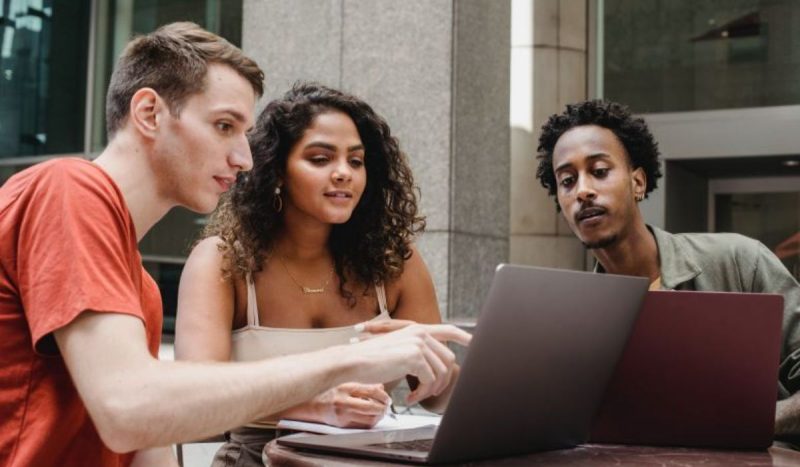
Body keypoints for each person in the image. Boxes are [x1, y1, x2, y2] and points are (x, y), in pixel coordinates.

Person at [0, 23, 470, 467]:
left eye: (244, 134)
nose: (244, 158)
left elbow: (152, 440)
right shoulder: (69, 188)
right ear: (149, 113)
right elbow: (128, 409)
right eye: (225, 126)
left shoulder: (139, 288)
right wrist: (351, 359)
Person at [174, 82, 454, 465]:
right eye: (321, 159)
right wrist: (310, 405)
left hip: (371, 459)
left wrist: (443, 372)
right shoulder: (223, 261)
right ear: (276, 172)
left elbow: (439, 399)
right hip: (258, 459)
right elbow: (192, 401)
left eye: (355, 161)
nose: (344, 173)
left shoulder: (394, 262)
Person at [534, 99, 800, 435]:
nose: (583, 190)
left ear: (638, 183)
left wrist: (750, 423)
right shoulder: (576, 323)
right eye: (568, 181)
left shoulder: (740, 261)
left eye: (599, 172)